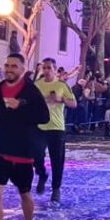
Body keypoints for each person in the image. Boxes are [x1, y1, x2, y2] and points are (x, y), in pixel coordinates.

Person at [0, 54, 48, 220]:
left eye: (14, 66)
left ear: (22, 69)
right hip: (0, 146)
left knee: (25, 193)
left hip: (23, 149)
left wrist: (20, 106)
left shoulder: (30, 90)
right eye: (7, 65)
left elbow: (44, 117)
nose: (9, 69)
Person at [31, 58, 76, 205]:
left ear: (55, 70)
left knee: (57, 160)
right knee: (36, 156)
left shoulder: (61, 85)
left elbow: (74, 103)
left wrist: (60, 99)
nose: (46, 70)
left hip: (56, 127)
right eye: (44, 68)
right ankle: (42, 174)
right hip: (40, 126)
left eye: (49, 68)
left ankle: (56, 189)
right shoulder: (37, 85)